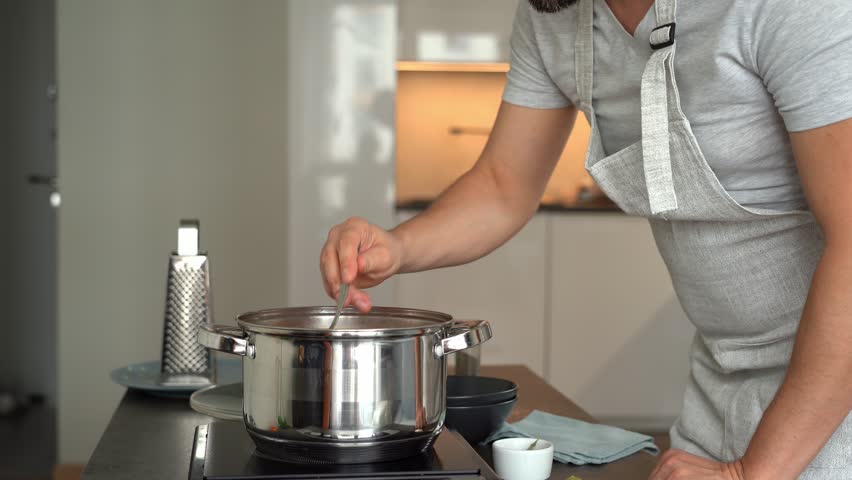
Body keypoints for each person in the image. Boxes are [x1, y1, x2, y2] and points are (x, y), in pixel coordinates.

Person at [320, 0, 852, 477]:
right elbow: (505, 185)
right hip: (719, 395)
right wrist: (398, 246)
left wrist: (750, 473)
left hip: (833, 405)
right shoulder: (554, 12)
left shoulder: (793, 8)